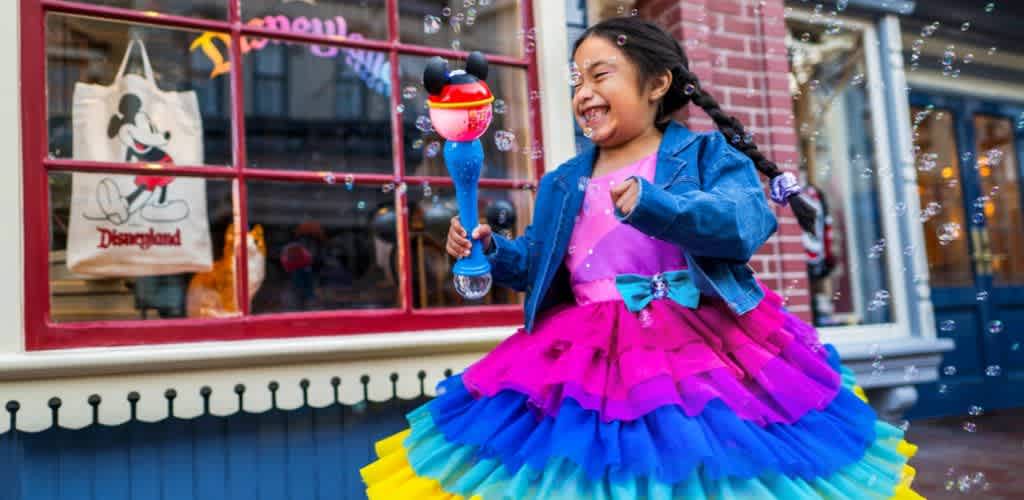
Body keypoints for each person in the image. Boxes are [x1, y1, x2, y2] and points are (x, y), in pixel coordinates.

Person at [360, 16, 923, 499]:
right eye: (577, 80)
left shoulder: (706, 153)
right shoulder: (563, 181)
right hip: (585, 357)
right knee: (594, 473)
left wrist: (657, 205)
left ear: (658, 83)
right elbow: (539, 265)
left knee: (701, 469)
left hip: (703, 350)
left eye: (600, 75)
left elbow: (744, 225)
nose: (583, 92)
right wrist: (491, 251)